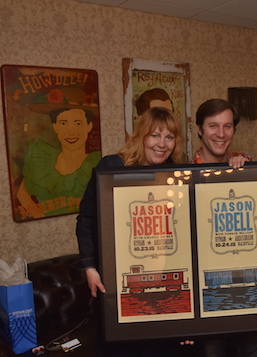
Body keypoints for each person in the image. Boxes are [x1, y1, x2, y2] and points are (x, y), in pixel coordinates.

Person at [75, 107, 191, 356]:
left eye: (169, 137)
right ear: (141, 136)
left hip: (162, 276)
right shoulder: (111, 167)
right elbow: (86, 219)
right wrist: (90, 267)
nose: (162, 144)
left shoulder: (177, 176)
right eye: (155, 135)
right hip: (115, 277)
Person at [191, 99, 257, 357]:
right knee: (212, 350)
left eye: (227, 126)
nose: (221, 134)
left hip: (249, 279)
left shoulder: (248, 167)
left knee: (253, 350)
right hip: (208, 284)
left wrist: (245, 172)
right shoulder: (182, 174)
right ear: (199, 129)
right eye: (213, 126)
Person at [17, 88, 101, 219]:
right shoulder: (42, 159)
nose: (71, 132)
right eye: (63, 123)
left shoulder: (97, 163)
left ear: (89, 126)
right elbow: (22, 193)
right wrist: (40, 217)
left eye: (78, 123)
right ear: (55, 126)